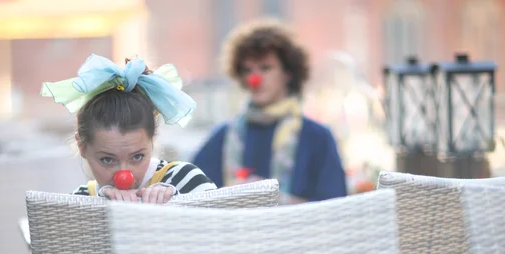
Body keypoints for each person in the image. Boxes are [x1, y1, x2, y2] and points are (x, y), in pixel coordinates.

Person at [193, 19, 347, 204]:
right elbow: (194, 196)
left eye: (266, 68)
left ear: (288, 73)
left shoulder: (318, 137)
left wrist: (270, 198)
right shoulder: (222, 136)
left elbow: (335, 207)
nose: (255, 79)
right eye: (248, 70)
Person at [41, 53, 216, 204]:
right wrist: (100, 206)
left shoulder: (185, 180)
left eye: (137, 157)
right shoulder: (80, 201)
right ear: (82, 147)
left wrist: (177, 203)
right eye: (107, 160)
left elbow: (222, 231)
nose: (124, 177)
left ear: (152, 140)